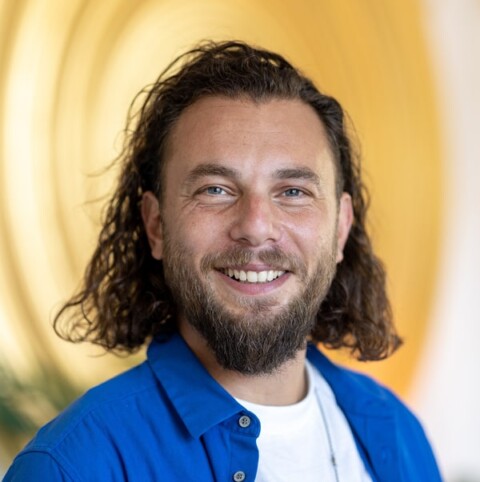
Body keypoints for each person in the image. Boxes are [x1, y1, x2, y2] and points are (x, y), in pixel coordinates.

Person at [4, 41, 442, 481]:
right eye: (215, 189)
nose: (255, 225)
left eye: (293, 192)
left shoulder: (398, 433)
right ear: (156, 226)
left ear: (341, 227)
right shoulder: (71, 466)